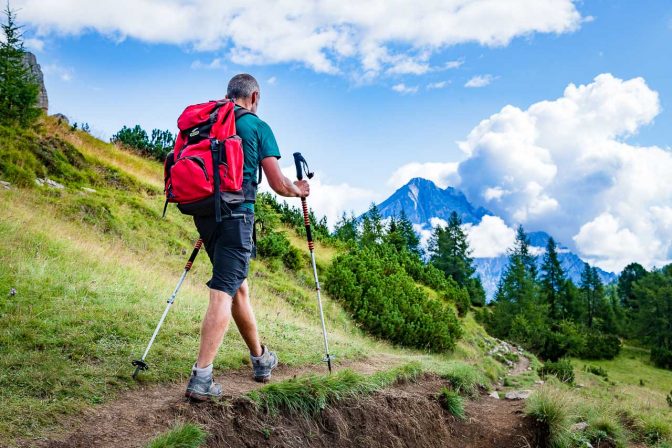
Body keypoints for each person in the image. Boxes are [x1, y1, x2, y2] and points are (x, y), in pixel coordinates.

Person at [185, 74, 310, 401]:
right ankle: (201, 378)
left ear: (228, 95)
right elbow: (277, 183)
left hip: (204, 211)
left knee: (238, 285)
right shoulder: (258, 126)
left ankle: (260, 359)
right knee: (223, 289)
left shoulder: (210, 121)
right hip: (237, 214)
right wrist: (298, 190)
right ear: (254, 96)